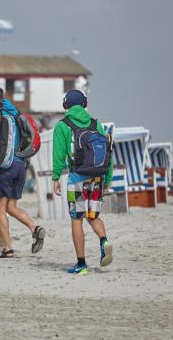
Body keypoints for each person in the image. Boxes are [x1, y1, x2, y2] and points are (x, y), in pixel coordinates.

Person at [52, 89, 113, 275]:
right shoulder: (96, 124)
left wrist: (55, 177)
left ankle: (81, 264)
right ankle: (104, 241)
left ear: (66, 106)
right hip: (97, 177)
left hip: (77, 176)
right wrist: (107, 181)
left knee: (77, 218)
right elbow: (107, 154)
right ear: (84, 104)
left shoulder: (63, 125)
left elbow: (59, 155)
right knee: (93, 216)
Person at [0, 86, 45, 258]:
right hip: (21, 166)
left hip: (6, 166)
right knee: (11, 206)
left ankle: (8, 248)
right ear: (3, 96)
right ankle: (35, 228)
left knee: (0, 208)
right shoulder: (15, 112)